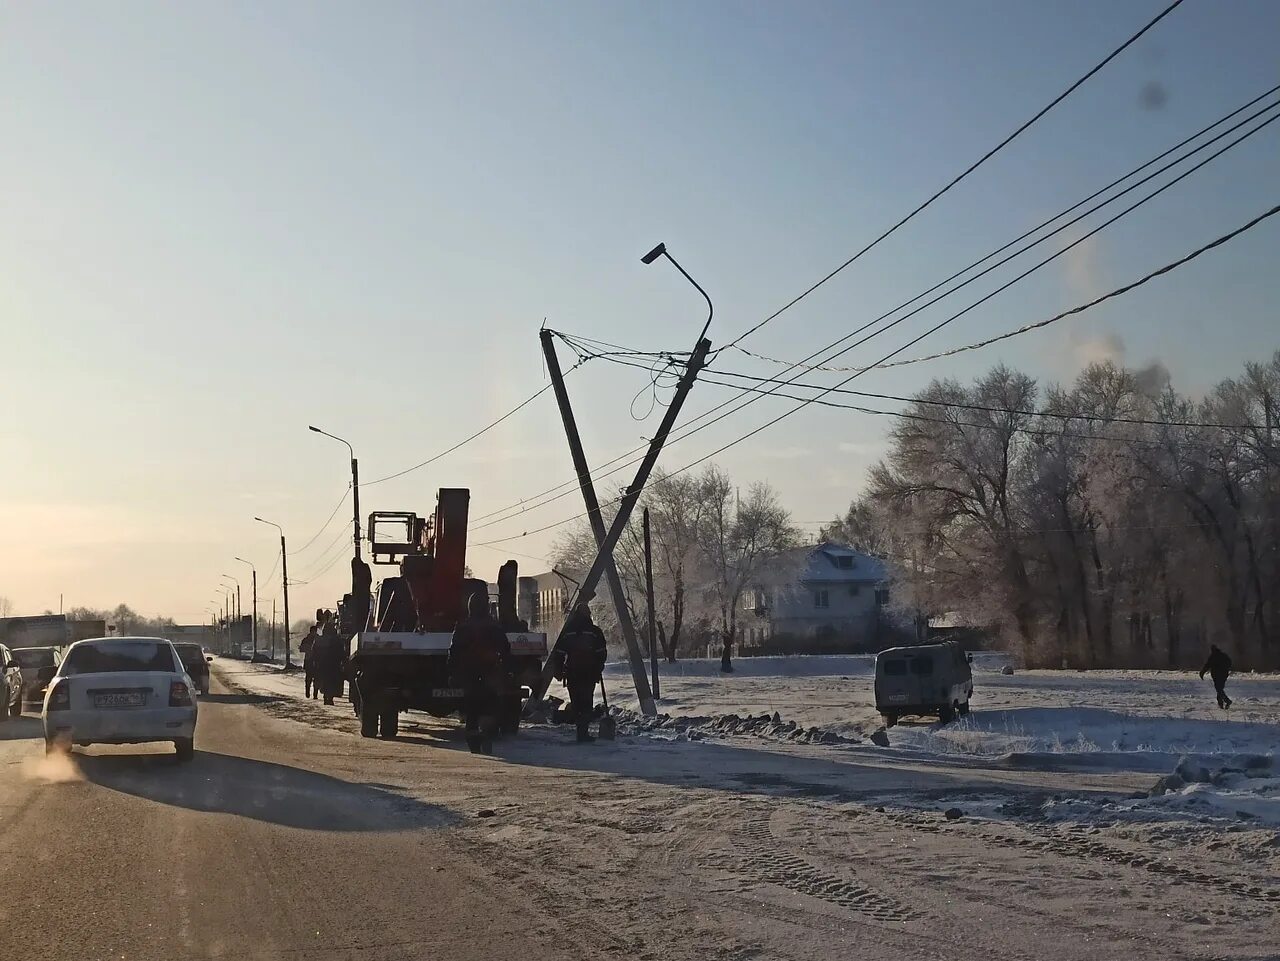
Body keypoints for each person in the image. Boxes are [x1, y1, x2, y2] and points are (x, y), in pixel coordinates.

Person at [449, 592, 512, 754]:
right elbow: (505, 650)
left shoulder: (462, 628)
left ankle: (474, 743)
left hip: (469, 676)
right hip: (490, 674)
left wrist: (453, 674)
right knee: (490, 707)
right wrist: (506, 670)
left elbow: (454, 652)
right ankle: (487, 736)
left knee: (471, 711)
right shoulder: (494, 627)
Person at [554, 605, 608, 743]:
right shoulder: (594, 631)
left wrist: (559, 670)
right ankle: (583, 733)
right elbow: (601, 652)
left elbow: (559, 652)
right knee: (586, 702)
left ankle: (580, 732)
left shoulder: (568, 631)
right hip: (588, 673)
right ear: (588, 615)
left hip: (572, 672)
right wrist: (598, 668)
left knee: (576, 702)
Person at [312, 616, 344, 706]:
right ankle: (329, 698)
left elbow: (314, 651)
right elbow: (341, 652)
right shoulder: (336, 640)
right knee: (332, 681)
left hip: (323, 664)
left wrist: (315, 662)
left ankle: (327, 697)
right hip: (333, 665)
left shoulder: (319, 640)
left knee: (325, 681)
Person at [1200, 644, 1233, 709]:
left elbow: (1207, 665)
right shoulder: (1223, 655)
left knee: (1219, 689)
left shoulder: (1213, 656)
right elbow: (1229, 662)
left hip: (1217, 676)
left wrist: (1202, 673)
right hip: (1224, 675)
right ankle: (1221, 704)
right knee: (1220, 689)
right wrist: (1226, 669)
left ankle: (1227, 701)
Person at [299, 624, 319, 699]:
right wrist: (308, 649)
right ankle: (307, 692)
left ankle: (315, 694)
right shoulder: (306, 639)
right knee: (309, 678)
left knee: (316, 678)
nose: (314, 633)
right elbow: (301, 649)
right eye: (313, 631)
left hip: (316, 660)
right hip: (309, 660)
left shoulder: (318, 639)